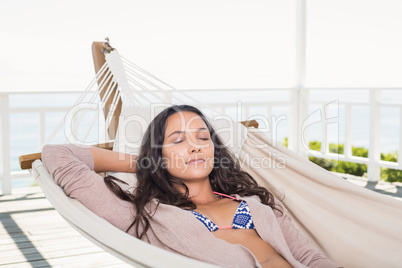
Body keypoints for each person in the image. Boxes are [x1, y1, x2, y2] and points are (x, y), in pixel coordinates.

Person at [42, 105, 338, 268]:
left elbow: (310, 258)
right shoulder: (145, 216)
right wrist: (147, 161)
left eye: (202, 137)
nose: (195, 147)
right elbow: (58, 155)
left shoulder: (253, 201)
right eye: (178, 140)